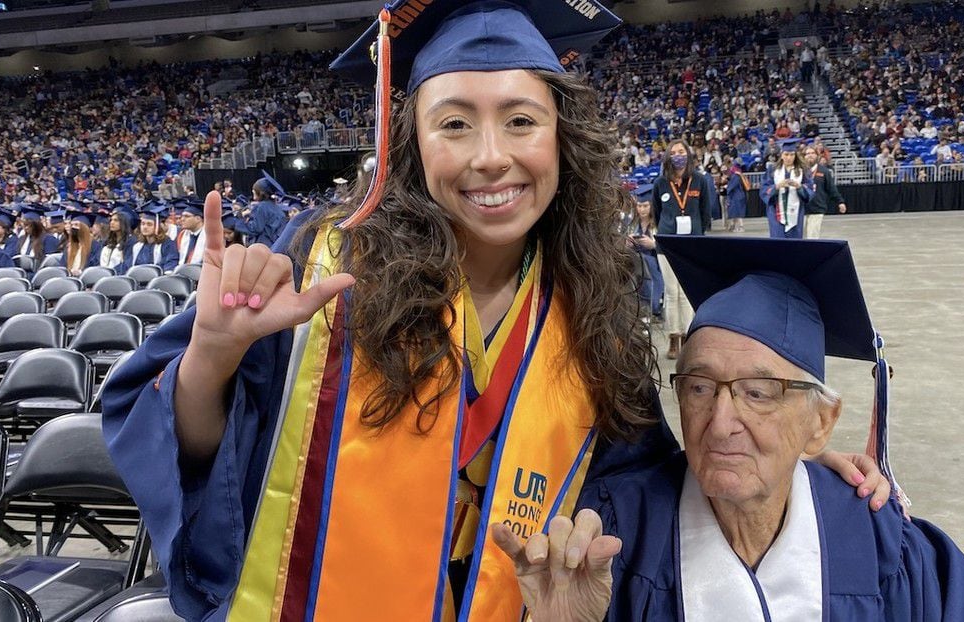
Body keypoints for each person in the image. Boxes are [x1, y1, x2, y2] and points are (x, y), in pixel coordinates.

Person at [102, 3, 888, 621]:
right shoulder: (321, 262)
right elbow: (196, 454)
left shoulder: (592, 302)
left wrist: (770, 453)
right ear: (410, 141)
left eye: (521, 119)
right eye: (453, 123)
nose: (489, 156)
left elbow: (640, 483)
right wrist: (213, 353)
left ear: (562, 139)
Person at [530, 236, 964, 620]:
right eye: (698, 387)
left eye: (759, 392)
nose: (720, 423)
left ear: (821, 424)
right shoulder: (613, 537)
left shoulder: (881, 544)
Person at [651, 140, 715, 359]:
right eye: (673, 152)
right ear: (668, 157)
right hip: (667, 244)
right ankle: (673, 337)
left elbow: (706, 210)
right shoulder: (660, 183)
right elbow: (657, 212)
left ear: (688, 154)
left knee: (687, 292)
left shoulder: (699, 180)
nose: (677, 155)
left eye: (681, 152)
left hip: (692, 243)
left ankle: (689, 336)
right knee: (671, 292)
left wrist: (698, 233)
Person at [761, 140, 814, 239]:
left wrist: (799, 187)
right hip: (776, 212)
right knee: (778, 241)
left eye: (792, 155)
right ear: (781, 155)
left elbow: (810, 188)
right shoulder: (773, 170)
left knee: (794, 242)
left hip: (796, 211)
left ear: (795, 155)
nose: (789, 158)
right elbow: (764, 188)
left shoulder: (803, 170)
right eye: (786, 154)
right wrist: (776, 187)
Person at [627, 184, 663, 322]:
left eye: (646, 206)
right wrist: (628, 243)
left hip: (655, 262)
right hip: (635, 261)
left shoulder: (659, 223)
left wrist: (653, 245)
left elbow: (665, 247)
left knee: (648, 263)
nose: (642, 209)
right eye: (640, 206)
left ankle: (653, 305)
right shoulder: (631, 223)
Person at [119, 203, 179, 274]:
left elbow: (170, 264)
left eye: (149, 224)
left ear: (157, 227)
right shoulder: (137, 246)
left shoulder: (167, 244)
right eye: (143, 224)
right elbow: (127, 266)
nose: (145, 227)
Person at [803, 142, 847, 239]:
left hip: (817, 209)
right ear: (804, 156)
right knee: (799, 238)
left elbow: (831, 188)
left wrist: (840, 202)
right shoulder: (800, 171)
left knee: (812, 237)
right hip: (801, 209)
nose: (810, 155)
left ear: (817, 155)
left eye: (812, 153)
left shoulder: (824, 171)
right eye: (807, 153)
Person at [238, 173, 287, 246]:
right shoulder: (276, 207)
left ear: (260, 193)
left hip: (263, 244)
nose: (253, 191)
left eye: (254, 190)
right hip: (275, 243)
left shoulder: (262, 206)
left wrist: (241, 218)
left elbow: (256, 228)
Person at [60, 210, 101, 277]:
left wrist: (81, 272)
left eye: (76, 225)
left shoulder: (95, 246)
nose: (73, 227)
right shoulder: (69, 246)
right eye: (72, 225)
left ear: (85, 228)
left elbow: (95, 266)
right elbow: (62, 266)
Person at [174, 199, 207, 266]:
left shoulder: (208, 236)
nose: (182, 219)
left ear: (198, 219)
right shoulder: (182, 235)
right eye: (182, 216)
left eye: (186, 216)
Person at [723, 161, 748, 233]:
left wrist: (727, 187)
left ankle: (740, 227)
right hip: (737, 196)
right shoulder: (738, 175)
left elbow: (731, 186)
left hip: (736, 196)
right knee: (735, 213)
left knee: (737, 213)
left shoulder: (736, 176)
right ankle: (734, 226)